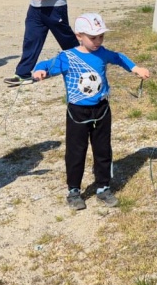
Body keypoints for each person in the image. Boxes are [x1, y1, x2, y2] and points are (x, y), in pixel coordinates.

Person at [32, 12, 150, 210]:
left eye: (101, 37)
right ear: (79, 36)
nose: (97, 41)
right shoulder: (67, 57)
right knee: (76, 151)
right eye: (92, 37)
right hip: (77, 112)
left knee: (103, 149)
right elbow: (45, 64)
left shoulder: (102, 53)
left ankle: (103, 187)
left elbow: (119, 57)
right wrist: (39, 70)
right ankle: (74, 190)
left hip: (102, 109)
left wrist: (135, 68)